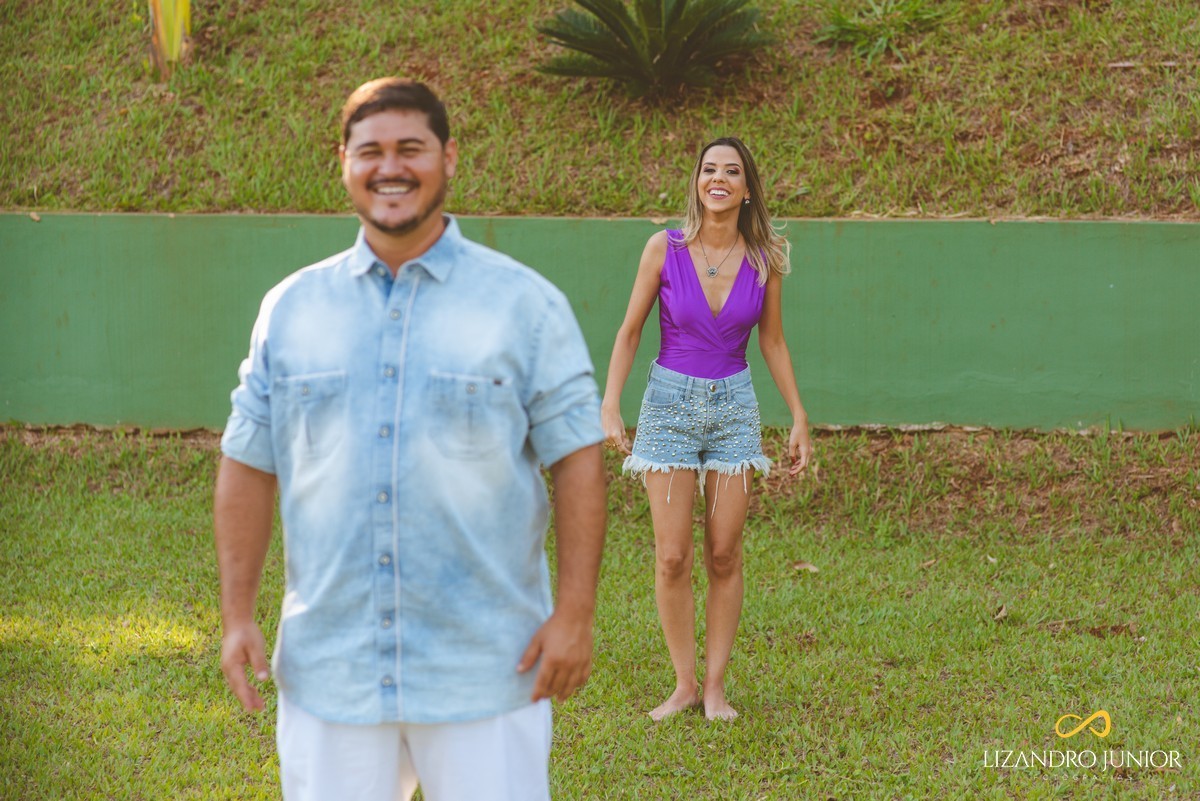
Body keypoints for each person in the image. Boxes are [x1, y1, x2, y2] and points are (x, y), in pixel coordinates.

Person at [214, 78, 606, 801]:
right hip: (332, 669)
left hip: (488, 668)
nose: (389, 166)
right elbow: (248, 460)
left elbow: (578, 458)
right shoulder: (291, 308)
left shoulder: (524, 305)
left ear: (448, 158)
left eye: (410, 148)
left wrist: (575, 614)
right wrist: (238, 613)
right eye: (371, 150)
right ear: (344, 162)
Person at [601, 137, 812, 722]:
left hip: (734, 411)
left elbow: (771, 340)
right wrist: (611, 405)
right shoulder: (663, 248)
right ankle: (684, 684)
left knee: (723, 553)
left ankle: (716, 688)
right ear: (697, 181)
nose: (718, 179)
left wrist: (797, 415)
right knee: (671, 557)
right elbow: (628, 331)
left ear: (747, 189)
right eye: (709, 170)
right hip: (667, 404)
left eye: (732, 171)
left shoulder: (764, 258)